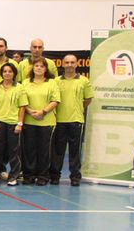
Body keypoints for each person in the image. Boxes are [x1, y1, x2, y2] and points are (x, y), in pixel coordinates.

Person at [50, 54, 92, 186]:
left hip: (76, 121)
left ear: (77, 64)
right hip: (58, 121)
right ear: (62, 64)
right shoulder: (56, 81)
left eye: (72, 62)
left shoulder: (84, 81)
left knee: (75, 151)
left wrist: (77, 107)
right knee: (58, 151)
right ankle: (55, 176)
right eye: (67, 62)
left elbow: (88, 99)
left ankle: (75, 177)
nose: (69, 65)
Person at [21, 59, 61, 186]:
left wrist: (43, 112)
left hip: (46, 122)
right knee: (29, 150)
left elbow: (55, 101)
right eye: (36, 66)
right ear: (32, 68)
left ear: (46, 69)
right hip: (29, 121)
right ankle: (28, 175)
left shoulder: (52, 83)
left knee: (44, 151)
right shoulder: (25, 82)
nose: (38, 68)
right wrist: (30, 111)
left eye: (41, 66)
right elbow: (22, 100)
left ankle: (43, 176)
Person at [0, 63, 27, 186]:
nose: (7, 73)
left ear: (14, 73)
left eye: (10, 71)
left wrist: (19, 123)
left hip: (13, 123)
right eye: (5, 71)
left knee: (14, 151)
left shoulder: (19, 88)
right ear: (1, 73)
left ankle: (13, 176)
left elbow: (22, 107)